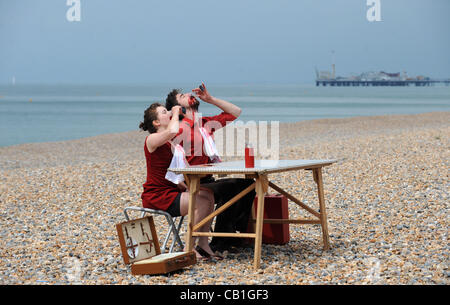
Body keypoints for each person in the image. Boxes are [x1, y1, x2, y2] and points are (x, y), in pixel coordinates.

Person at [165, 83, 256, 253]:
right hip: (190, 183)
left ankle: (225, 239)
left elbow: (235, 112)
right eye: (182, 96)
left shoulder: (205, 124)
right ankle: (218, 242)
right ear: (177, 107)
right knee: (235, 188)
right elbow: (169, 160)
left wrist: (210, 99)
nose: (188, 95)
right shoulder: (175, 129)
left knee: (246, 186)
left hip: (207, 179)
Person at [139, 102, 222, 261]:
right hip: (157, 196)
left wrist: (186, 187)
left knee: (208, 195)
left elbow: (172, 176)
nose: (168, 112)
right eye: (164, 112)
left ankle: (203, 244)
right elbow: (173, 130)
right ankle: (188, 248)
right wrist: (176, 112)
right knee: (201, 203)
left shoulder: (171, 144)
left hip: (171, 191)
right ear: (156, 122)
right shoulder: (152, 139)